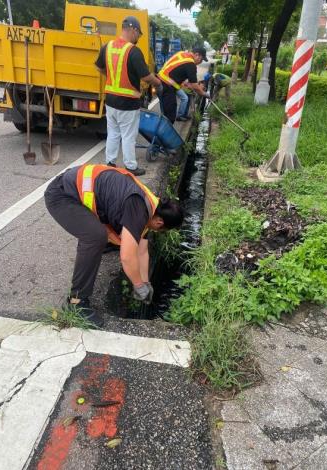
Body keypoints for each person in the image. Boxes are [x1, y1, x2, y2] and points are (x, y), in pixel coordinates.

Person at [44, 164, 184, 327]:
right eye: (162, 230)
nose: (158, 231)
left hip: (77, 190)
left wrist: (146, 283)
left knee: (119, 238)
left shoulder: (150, 205)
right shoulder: (138, 209)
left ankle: (102, 246)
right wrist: (138, 286)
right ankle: (76, 302)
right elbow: (127, 256)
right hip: (62, 195)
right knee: (95, 236)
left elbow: (142, 250)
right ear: (159, 222)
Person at [95, 16, 162, 176]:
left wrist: (110, 77)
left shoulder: (107, 46)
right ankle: (131, 166)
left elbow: (99, 68)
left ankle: (110, 162)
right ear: (133, 30)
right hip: (128, 103)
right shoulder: (133, 51)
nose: (138, 37)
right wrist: (158, 82)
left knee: (113, 133)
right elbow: (146, 76)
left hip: (110, 100)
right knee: (128, 136)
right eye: (139, 34)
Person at [157, 47, 210, 123]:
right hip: (166, 87)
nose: (200, 62)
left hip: (159, 83)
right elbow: (195, 85)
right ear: (197, 55)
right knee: (170, 117)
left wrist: (184, 83)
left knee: (165, 114)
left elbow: (176, 71)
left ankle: (160, 131)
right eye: (201, 59)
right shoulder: (191, 64)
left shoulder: (182, 54)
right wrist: (205, 94)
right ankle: (163, 133)